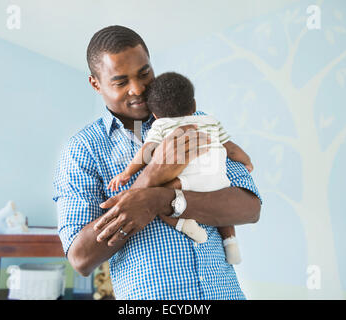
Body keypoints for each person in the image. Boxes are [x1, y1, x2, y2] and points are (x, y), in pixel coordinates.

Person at [53, 25, 262, 300]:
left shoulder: (195, 120)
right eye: (120, 81)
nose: (138, 89)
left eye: (144, 73)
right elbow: (81, 258)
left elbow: (249, 207)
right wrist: (150, 177)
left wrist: (160, 200)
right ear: (96, 84)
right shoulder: (83, 150)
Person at [108, 72, 253, 265]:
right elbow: (232, 149)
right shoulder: (210, 121)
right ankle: (230, 241)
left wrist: (126, 173)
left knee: (154, 199)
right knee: (223, 215)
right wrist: (247, 161)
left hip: (185, 183)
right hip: (218, 182)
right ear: (193, 105)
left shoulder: (161, 125)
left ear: (155, 114)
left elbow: (146, 152)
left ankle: (186, 226)